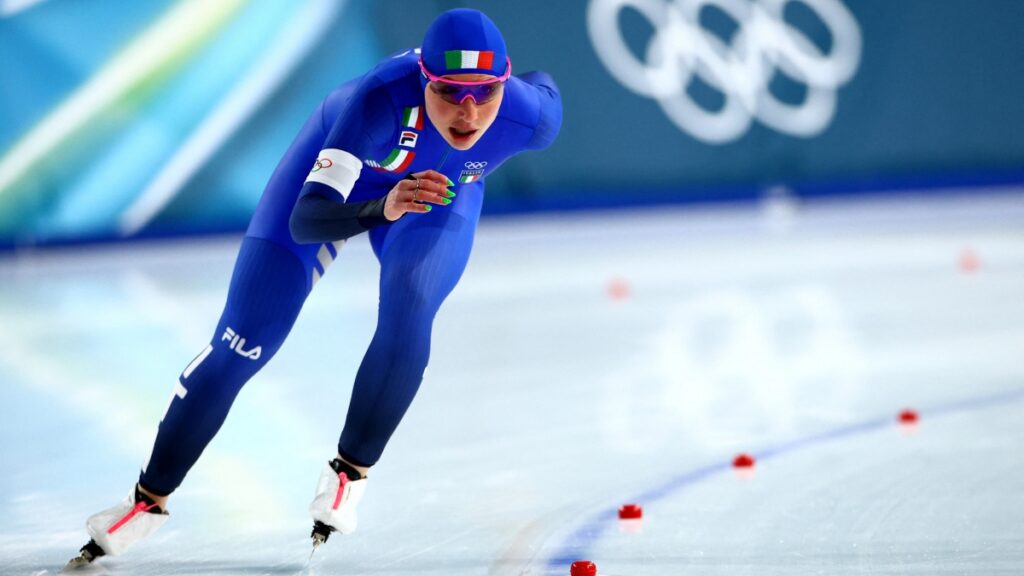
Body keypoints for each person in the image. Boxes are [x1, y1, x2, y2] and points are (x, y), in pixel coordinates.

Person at [66, 8, 561, 567]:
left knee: (412, 307)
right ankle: (147, 499)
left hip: (438, 195)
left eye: (486, 93)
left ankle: (351, 470)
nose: (469, 113)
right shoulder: (378, 102)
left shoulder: (529, 117)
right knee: (241, 343)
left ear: (504, 84)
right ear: (425, 80)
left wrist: (406, 201)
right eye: (449, 92)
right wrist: (382, 205)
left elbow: (547, 86)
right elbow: (308, 219)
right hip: (333, 193)